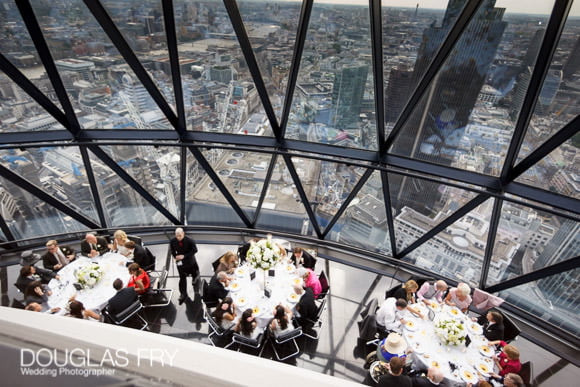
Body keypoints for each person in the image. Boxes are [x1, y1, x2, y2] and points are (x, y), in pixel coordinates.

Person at [169, 227, 200, 304]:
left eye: (180, 235)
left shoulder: (190, 240)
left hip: (189, 260)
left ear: (183, 234)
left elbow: (195, 250)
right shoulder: (173, 241)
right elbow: (172, 250)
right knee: (182, 277)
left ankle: (195, 278)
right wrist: (175, 256)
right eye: (177, 235)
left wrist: (184, 256)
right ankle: (183, 294)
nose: (178, 237)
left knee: (193, 272)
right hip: (180, 260)